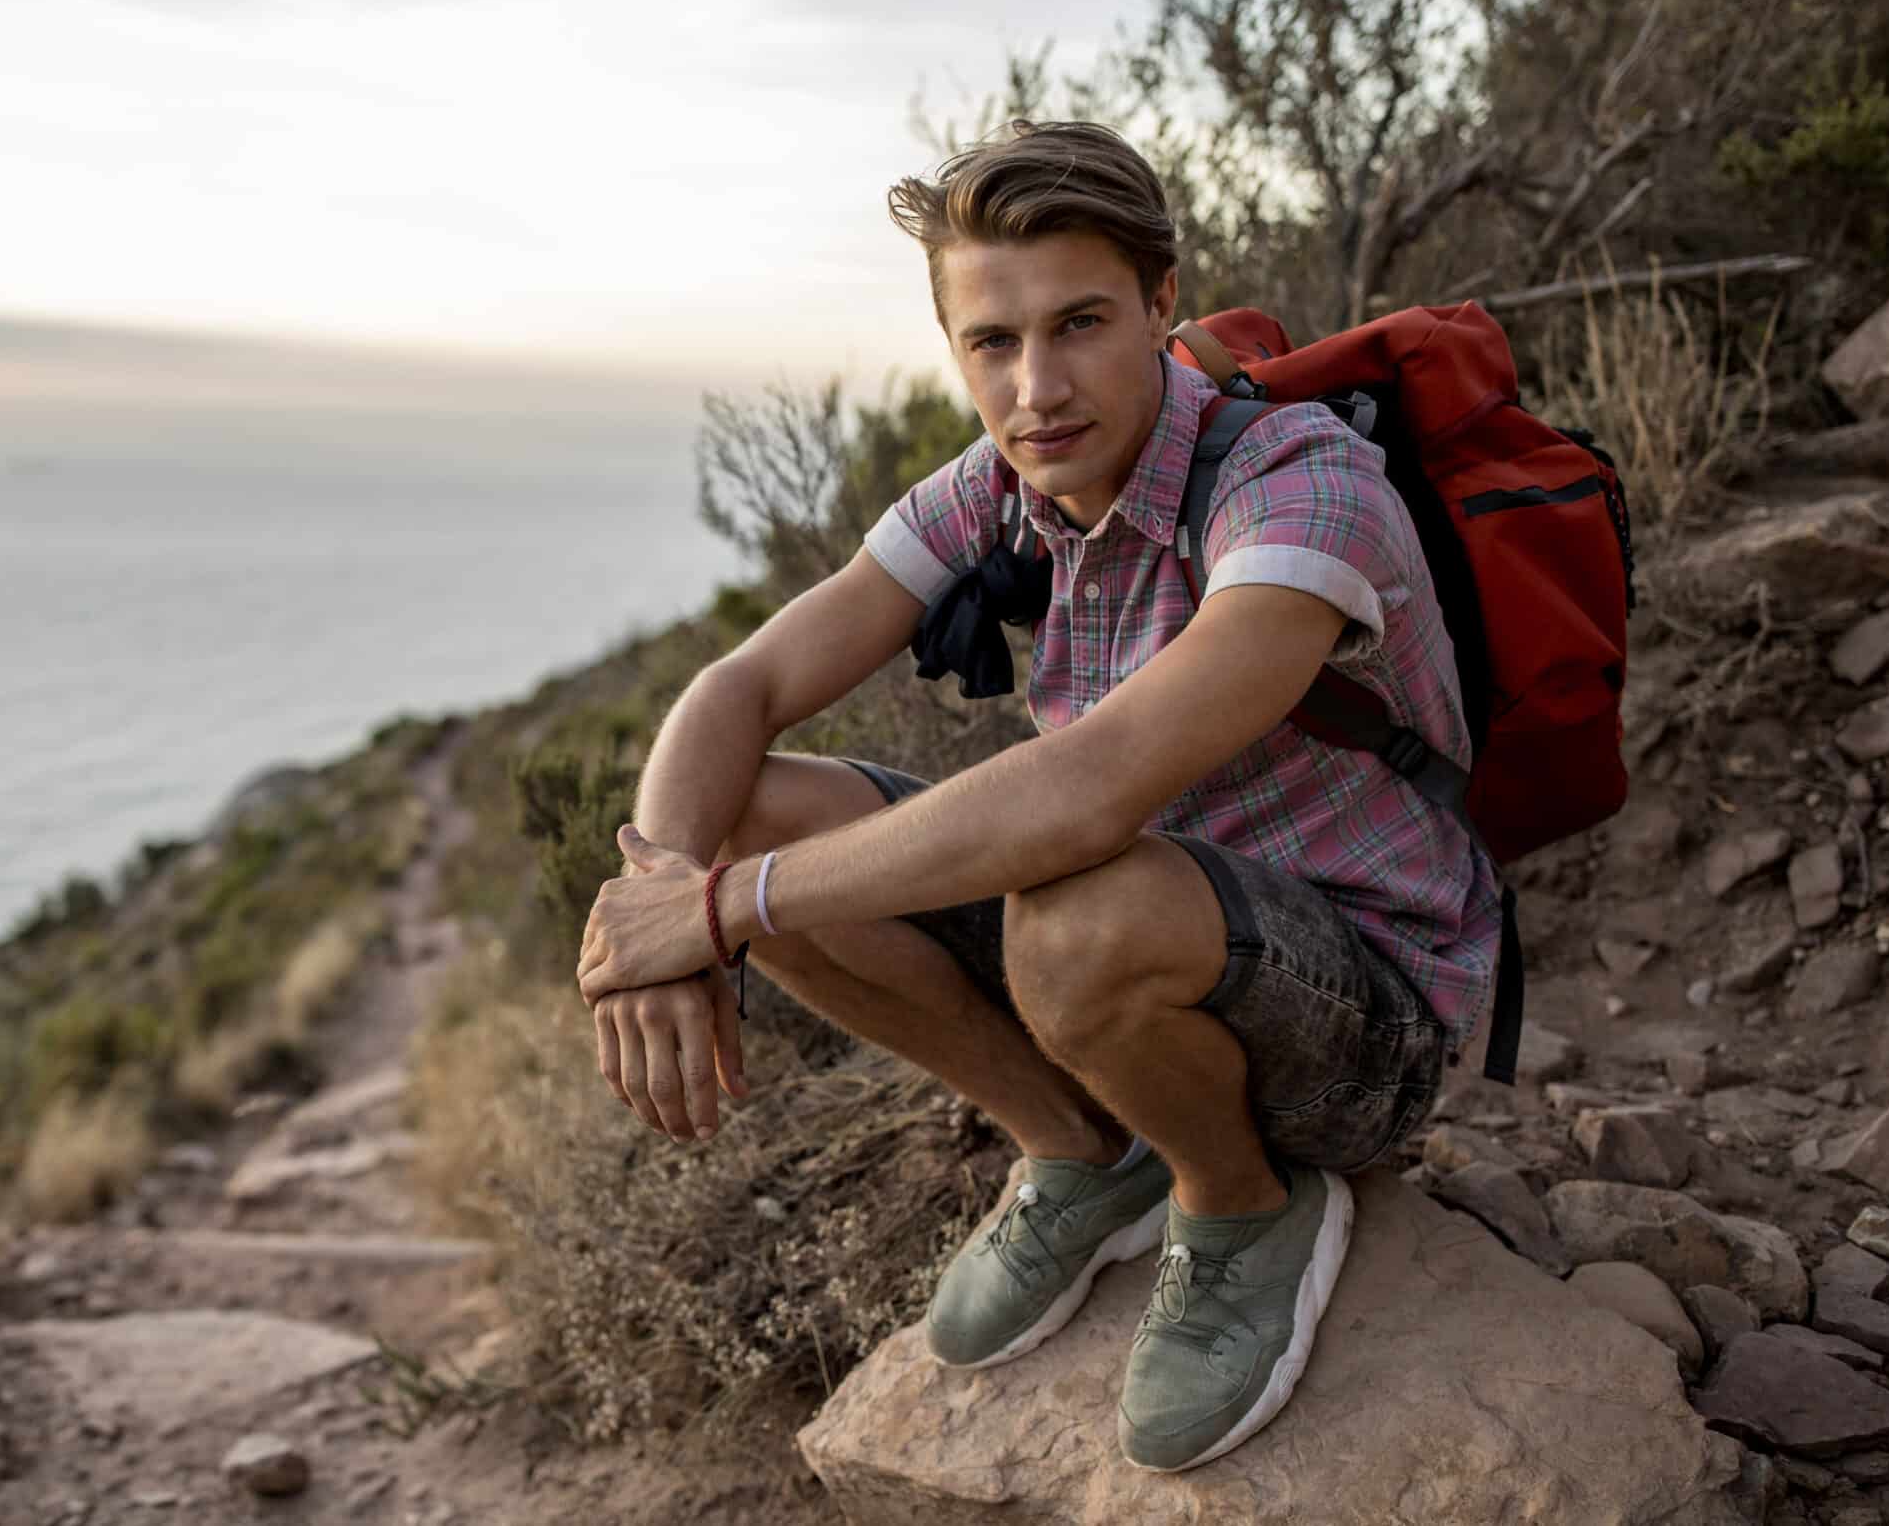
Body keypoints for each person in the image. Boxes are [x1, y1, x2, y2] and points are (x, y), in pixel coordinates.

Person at [571, 118, 1501, 1474]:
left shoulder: (1301, 486)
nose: (1037, 388)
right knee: (761, 808)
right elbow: (738, 690)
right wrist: (658, 900)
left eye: (1079, 324)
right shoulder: (1004, 488)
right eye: (990, 344)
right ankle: (1080, 1148)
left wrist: (721, 911)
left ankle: (1243, 1202)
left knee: (1071, 908)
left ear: (1160, 306)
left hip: (1362, 1020)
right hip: (1137, 945)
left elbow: (1083, 795)